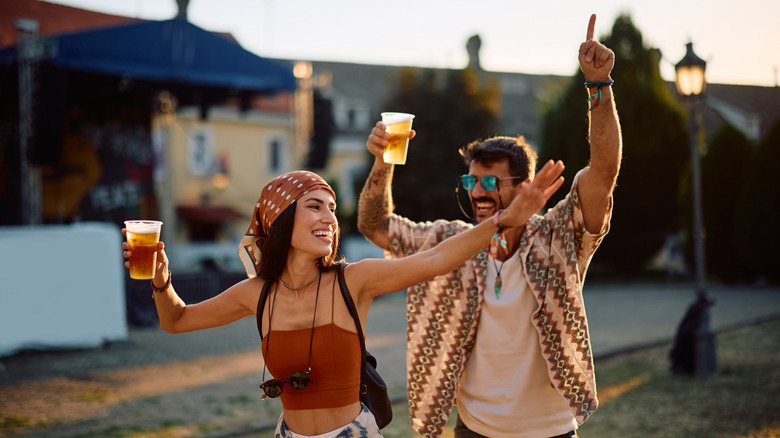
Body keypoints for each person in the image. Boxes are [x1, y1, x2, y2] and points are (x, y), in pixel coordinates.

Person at [122, 165, 566, 438]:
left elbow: (435, 259)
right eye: (315, 206)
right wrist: (161, 281)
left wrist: (506, 219)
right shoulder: (255, 293)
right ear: (281, 219)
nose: (329, 219)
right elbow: (176, 321)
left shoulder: (355, 280)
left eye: (332, 209)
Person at [357, 14, 621, 438]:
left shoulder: (558, 236)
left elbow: (603, 171)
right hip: (474, 429)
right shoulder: (450, 241)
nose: (477, 192)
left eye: (490, 182)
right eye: (471, 181)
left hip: (551, 430)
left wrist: (598, 86)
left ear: (524, 185)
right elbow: (375, 226)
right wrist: (383, 161)